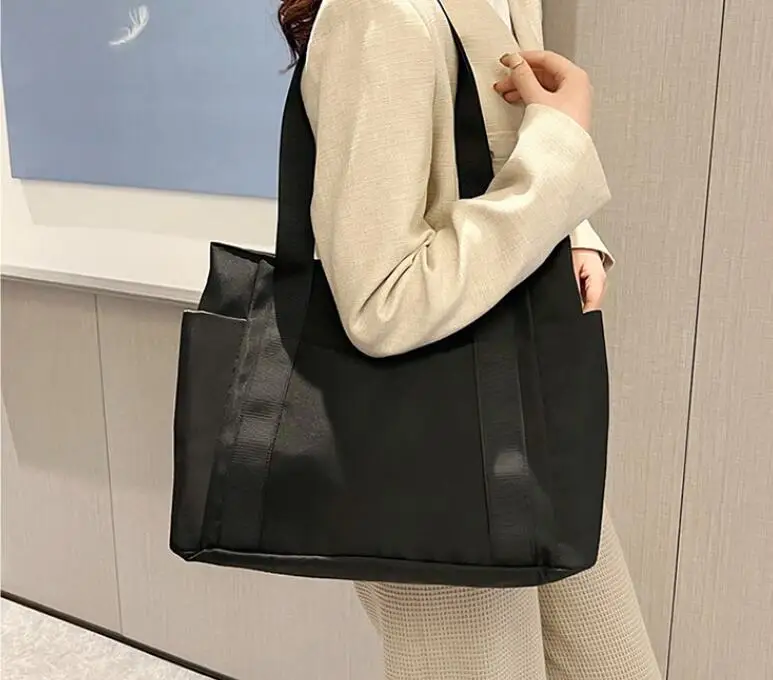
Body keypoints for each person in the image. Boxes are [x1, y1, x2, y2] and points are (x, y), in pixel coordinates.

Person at [277, 0, 663, 676]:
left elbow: (489, 165)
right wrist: (561, 149)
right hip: (429, 453)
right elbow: (380, 301)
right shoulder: (377, 15)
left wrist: (572, 230)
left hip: (527, 410)